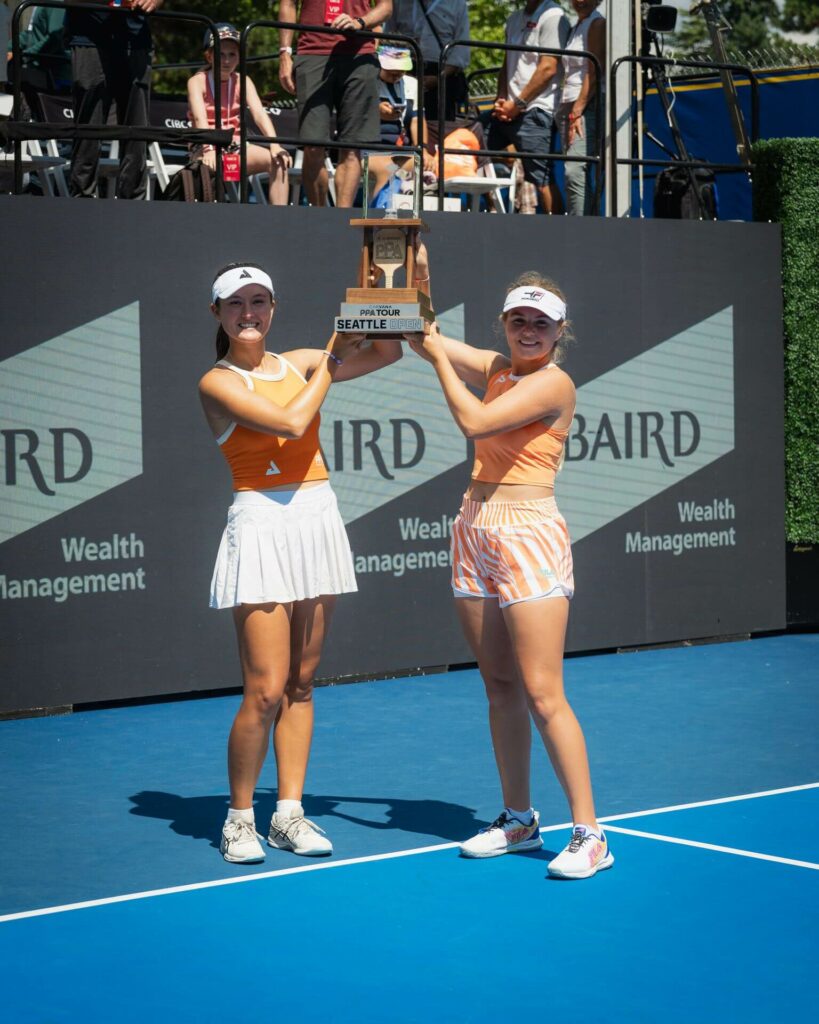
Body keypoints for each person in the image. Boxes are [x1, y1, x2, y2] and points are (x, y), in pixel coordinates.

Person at [406, 247, 614, 880]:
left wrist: (438, 355)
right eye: (519, 320)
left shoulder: (554, 383)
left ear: (559, 332)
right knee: (499, 686)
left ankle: (591, 834)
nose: (528, 332)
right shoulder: (499, 365)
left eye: (541, 324)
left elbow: (472, 420)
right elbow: (426, 337)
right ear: (505, 323)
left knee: (544, 692)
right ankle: (519, 818)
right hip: (475, 528)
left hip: (529, 534)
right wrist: (418, 284)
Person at [200, 262, 402, 864]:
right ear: (218, 314)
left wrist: (389, 274)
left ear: (273, 307)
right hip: (261, 522)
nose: (249, 313)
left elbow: (389, 351)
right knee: (264, 689)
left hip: (315, 514)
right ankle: (239, 818)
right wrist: (334, 358)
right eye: (236, 304)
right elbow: (290, 423)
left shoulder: (305, 360)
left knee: (303, 682)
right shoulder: (217, 383)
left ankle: (288, 813)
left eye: (259, 301)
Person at [277, 0, 393, 207]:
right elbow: (288, 4)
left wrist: (360, 22)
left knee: (352, 147)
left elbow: (386, 7)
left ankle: (341, 221)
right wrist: (285, 53)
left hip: (359, 55)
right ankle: (320, 219)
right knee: (313, 146)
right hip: (312, 52)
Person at [64, 0, 162, 199]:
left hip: (135, 39)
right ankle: (82, 200)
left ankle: (133, 202)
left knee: (137, 128)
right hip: (88, 35)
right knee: (88, 126)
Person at [187, 23, 292, 206]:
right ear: (209, 56)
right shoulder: (197, 81)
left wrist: (275, 145)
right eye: (220, 54)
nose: (226, 60)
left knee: (279, 161)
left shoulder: (244, 80)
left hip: (236, 146)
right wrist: (209, 150)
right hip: (205, 145)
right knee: (209, 165)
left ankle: (279, 223)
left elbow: (260, 114)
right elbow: (199, 119)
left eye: (232, 54)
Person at [486, 0, 569, 215]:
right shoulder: (513, 20)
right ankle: (490, 212)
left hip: (537, 110)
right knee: (472, 146)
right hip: (508, 110)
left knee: (541, 178)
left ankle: (558, 235)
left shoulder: (553, 17)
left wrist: (519, 104)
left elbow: (548, 67)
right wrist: (502, 98)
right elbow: (507, 63)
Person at [366, 43, 435, 205]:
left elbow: (417, 120)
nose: (396, 74)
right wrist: (375, 111)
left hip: (399, 151)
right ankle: (380, 218)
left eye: (401, 70)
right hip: (370, 149)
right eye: (391, 70)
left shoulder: (411, 84)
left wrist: (423, 150)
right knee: (389, 169)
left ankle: (420, 219)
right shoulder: (366, 81)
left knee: (428, 167)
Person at [384, 0, 470, 125]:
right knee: (402, 121)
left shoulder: (456, 4)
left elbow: (461, 49)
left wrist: (439, 77)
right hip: (403, 70)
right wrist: (401, 73)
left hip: (441, 74)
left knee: (438, 126)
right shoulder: (399, 3)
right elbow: (388, 38)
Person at [558, 0, 605, 216]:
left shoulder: (596, 24)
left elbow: (594, 71)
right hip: (569, 103)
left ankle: (582, 226)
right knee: (575, 170)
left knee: (575, 170)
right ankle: (585, 221)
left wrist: (577, 110)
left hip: (585, 103)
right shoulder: (576, 27)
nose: (581, 1)